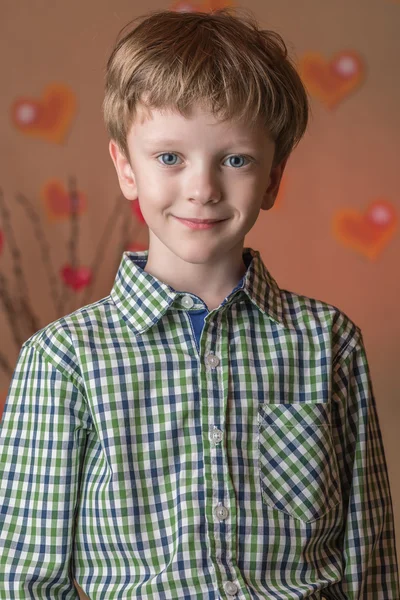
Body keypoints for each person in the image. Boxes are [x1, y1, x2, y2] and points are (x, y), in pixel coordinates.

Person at [0, 7, 398, 599]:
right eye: (169, 158)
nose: (203, 188)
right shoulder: (63, 359)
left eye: (235, 159)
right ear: (125, 168)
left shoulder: (328, 342)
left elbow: (372, 560)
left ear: (273, 177)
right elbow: (27, 581)